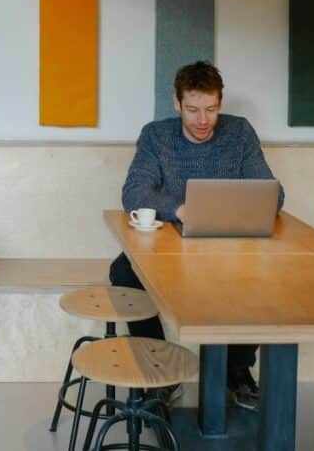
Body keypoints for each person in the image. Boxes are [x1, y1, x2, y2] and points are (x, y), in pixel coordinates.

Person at [109, 61, 284, 412]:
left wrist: (233, 209)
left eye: (211, 109)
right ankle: (159, 371)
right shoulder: (156, 136)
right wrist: (181, 209)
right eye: (192, 110)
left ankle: (236, 370)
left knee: (266, 278)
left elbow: (272, 195)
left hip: (229, 248)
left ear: (220, 102)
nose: (203, 120)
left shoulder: (240, 133)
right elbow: (133, 192)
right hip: (170, 250)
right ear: (176, 103)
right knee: (124, 273)